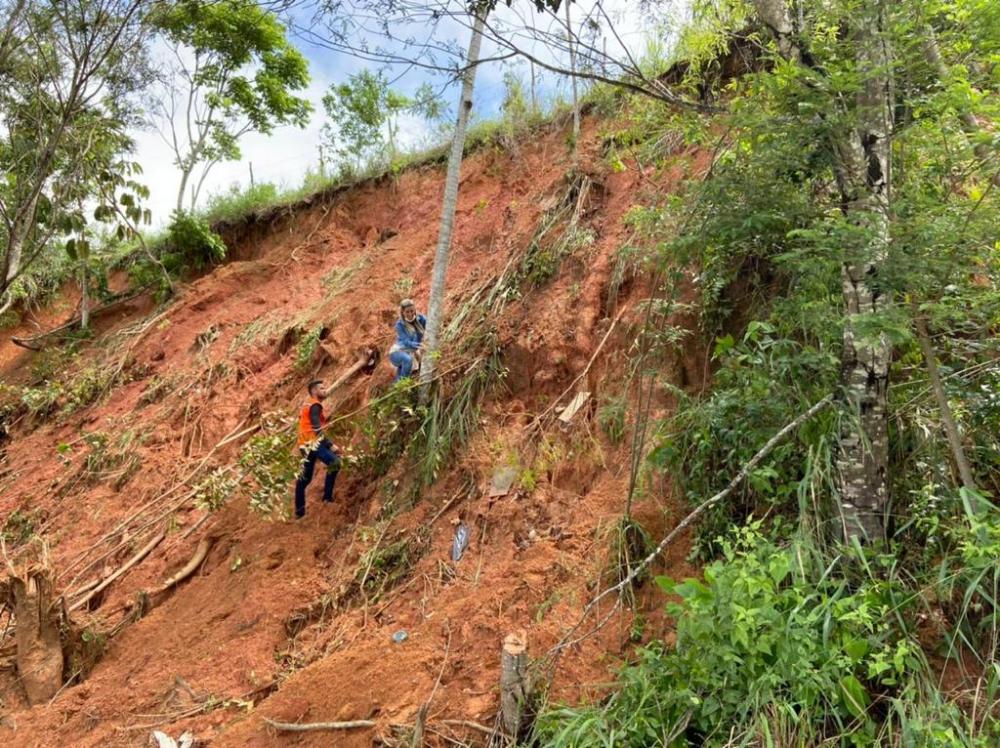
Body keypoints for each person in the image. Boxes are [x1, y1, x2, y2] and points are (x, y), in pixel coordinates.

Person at [293, 379, 342, 519]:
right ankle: (327, 498)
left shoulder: (308, 404)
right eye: (322, 388)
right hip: (312, 443)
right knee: (335, 463)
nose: (325, 390)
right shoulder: (315, 405)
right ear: (314, 391)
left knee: (304, 479)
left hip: (304, 444)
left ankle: (299, 513)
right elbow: (316, 427)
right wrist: (330, 445)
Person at [389, 298, 426, 382]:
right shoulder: (399, 325)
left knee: (399, 377)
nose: (410, 314)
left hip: (411, 352)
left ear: (415, 309)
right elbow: (406, 342)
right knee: (407, 360)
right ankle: (403, 385)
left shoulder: (421, 319)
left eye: (412, 311)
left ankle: (396, 390)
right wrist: (419, 345)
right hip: (397, 352)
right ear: (403, 312)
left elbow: (430, 327)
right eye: (407, 312)